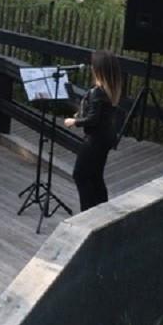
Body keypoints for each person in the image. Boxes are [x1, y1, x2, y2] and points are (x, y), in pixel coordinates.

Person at [65, 50, 121, 211]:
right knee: (96, 176)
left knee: (80, 175)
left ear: (99, 70)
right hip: (106, 137)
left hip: (95, 140)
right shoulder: (109, 89)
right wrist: (81, 112)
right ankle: (101, 211)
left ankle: (87, 213)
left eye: (93, 65)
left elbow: (93, 119)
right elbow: (97, 113)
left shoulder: (97, 91)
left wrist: (74, 121)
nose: (91, 68)